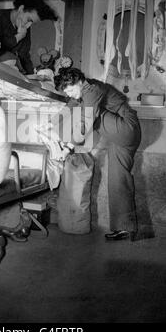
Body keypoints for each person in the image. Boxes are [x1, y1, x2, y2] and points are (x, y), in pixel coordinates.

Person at [54, 68, 141, 241]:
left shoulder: (91, 91)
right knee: (118, 178)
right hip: (120, 137)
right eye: (66, 92)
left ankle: (67, 142)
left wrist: (67, 148)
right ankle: (125, 228)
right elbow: (67, 108)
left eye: (70, 89)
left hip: (126, 127)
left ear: (79, 81)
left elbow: (85, 123)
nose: (70, 94)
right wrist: (50, 124)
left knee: (88, 114)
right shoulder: (84, 92)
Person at [0, 0, 58, 75]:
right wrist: (18, 37)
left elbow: (24, 55)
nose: (28, 25)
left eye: (31, 23)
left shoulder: (24, 27)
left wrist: (31, 76)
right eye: (29, 19)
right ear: (21, 9)